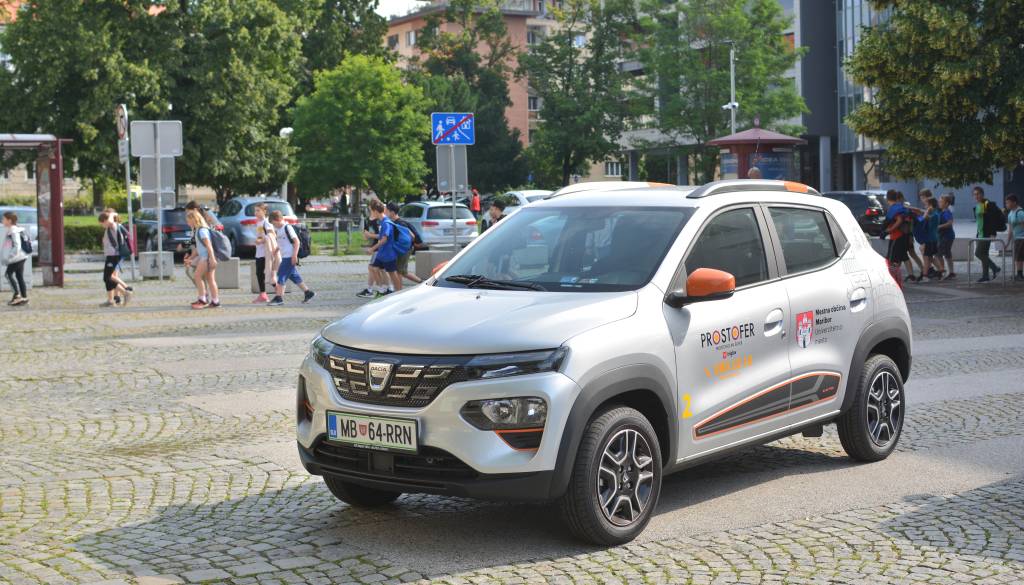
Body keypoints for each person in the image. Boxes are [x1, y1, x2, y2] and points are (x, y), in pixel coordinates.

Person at [268, 210, 314, 306]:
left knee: (281, 275)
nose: (273, 226)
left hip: (289, 256)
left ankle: (279, 298)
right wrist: (275, 251)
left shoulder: (287, 228)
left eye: (274, 223)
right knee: (294, 276)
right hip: (285, 256)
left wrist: (294, 256)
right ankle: (308, 293)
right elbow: (282, 243)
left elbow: (296, 242)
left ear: (278, 220)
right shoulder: (279, 230)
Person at [365, 199, 403, 296]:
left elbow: (384, 239)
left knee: (392, 273)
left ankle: (398, 293)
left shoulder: (386, 223)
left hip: (388, 253)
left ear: (375, 211)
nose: (371, 213)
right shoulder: (382, 222)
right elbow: (381, 237)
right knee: (374, 268)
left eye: (371, 211)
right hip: (382, 253)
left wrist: (372, 249)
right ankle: (382, 290)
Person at [186, 209, 220, 309]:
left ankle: (202, 300)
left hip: (206, 258)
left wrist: (212, 259)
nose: (187, 223)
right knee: (210, 279)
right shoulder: (199, 230)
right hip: (206, 257)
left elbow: (209, 246)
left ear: (194, 219)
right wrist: (191, 257)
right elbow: (198, 248)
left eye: (188, 220)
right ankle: (215, 301)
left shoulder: (202, 231)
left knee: (197, 276)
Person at [387, 202, 423, 285]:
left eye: (387, 211)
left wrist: (406, 244)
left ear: (392, 212)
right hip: (404, 249)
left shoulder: (400, 223)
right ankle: (422, 283)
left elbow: (412, 236)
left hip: (404, 249)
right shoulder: (397, 222)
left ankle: (399, 289)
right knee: (403, 272)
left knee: (399, 271)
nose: (385, 212)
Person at [99, 212, 131, 307]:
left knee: (107, 277)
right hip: (111, 255)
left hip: (113, 255)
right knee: (107, 278)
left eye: (101, 223)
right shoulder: (109, 228)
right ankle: (111, 301)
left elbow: (110, 220)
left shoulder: (113, 226)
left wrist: (112, 214)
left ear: (105, 221)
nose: (101, 225)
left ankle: (125, 292)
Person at [884, 190, 916, 282]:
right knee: (904, 257)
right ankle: (911, 275)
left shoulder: (894, 208)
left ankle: (892, 278)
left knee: (891, 259)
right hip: (904, 236)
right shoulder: (903, 208)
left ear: (887, 198)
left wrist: (890, 230)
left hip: (896, 236)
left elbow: (899, 220)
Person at [973, 186, 1002, 282]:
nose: (976, 196)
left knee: (978, 253)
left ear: (982, 194)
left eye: (978, 194)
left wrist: (993, 233)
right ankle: (985, 275)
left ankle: (995, 268)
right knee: (984, 254)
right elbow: (980, 221)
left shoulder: (987, 204)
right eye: (975, 194)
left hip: (987, 234)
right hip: (980, 233)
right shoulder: (978, 205)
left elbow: (992, 219)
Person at [1, 211, 30, 306]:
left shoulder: (13, 230)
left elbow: (17, 246)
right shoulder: (16, 228)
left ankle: (17, 296)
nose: (2, 220)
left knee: (8, 274)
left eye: (4, 219)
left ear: (9, 220)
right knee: (19, 276)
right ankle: (24, 297)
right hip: (22, 256)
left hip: (17, 257)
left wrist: (9, 257)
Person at [252, 202, 276, 303]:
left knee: (267, 274)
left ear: (264, 211)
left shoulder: (267, 223)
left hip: (265, 252)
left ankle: (278, 291)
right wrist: (259, 239)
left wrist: (261, 241)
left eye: (258, 211)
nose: (256, 213)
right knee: (259, 273)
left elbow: (272, 235)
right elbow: (260, 235)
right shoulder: (259, 222)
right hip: (259, 252)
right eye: (255, 211)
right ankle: (263, 294)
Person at [357, 208, 382, 298]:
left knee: (373, 268)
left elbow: (383, 236)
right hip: (375, 247)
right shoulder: (368, 220)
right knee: (373, 268)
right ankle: (371, 289)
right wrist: (366, 235)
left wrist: (370, 235)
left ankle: (381, 290)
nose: (370, 211)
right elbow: (366, 236)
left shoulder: (380, 221)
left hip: (379, 247)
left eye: (371, 209)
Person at [922, 197, 943, 280]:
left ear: (930, 205)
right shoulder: (935, 213)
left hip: (930, 239)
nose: (925, 206)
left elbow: (924, 218)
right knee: (930, 257)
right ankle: (940, 270)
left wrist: (927, 210)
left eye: (926, 204)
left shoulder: (934, 215)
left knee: (927, 257)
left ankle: (925, 275)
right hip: (933, 239)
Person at [1005, 194, 1024, 281]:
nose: (1007, 205)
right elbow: (1010, 230)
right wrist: (1007, 242)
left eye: (1008, 202)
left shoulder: (1020, 213)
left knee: (1019, 256)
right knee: (1017, 256)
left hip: (1022, 238)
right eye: (1006, 203)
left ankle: (1019, 274)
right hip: (1016, 238)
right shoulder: (1010, 214)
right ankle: (1019, 274)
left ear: (1014, 202)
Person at [938, 194, 957, 280]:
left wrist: (939, 226)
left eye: (941, 202)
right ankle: (951, 272)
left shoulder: (946, 212)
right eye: (939, 201)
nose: (939, 203)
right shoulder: (942, 211)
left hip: (947, 236)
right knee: (947, 254)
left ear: (946, 204)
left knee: (939, 253)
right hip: (945, 236)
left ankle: (942, 271)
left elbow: (950, 222)